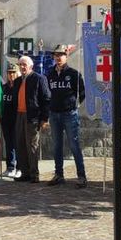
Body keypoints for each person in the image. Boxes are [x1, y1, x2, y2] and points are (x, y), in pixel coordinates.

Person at [46, 44, 87, 188]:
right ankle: (59, 175)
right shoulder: (50, 74)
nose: (58, 57)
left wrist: (75, 106)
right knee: (56, 146)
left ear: (66, 56)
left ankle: (81, 176)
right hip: (54, 114)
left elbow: (82, 93)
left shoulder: (74, 74)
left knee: (74, 145)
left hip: (69, 114)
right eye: (56, 55)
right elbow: (48, 93)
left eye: (61, 55)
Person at [12, 55, 50, 183]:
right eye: (20, 65)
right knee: (20, 144)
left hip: (32, 117)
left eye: (25, 65)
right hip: (19, 115)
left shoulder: (39, 79)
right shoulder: (17, 81)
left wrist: (44, 118)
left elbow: (46, 99)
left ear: (31, 66)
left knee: (32, 146)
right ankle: (25, 173)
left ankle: (34, 174)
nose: (22, 67)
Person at [1, 61, 21, 178]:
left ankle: (19, 167)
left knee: (17, 144)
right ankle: (10, 167)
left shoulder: (19, 87)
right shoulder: (4, 88)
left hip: (17, 119)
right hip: (6, 119)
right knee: (9, 144)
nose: (11, 75)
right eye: (9, 73)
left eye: (13, 72)